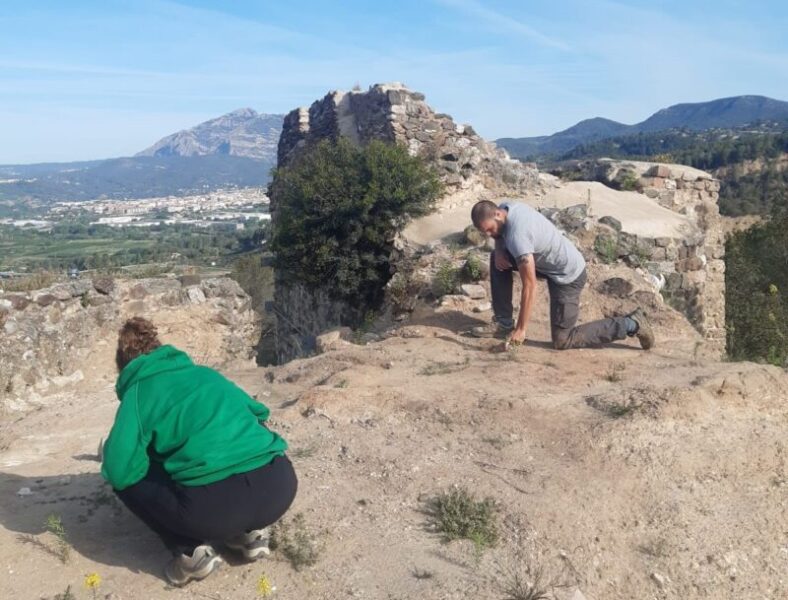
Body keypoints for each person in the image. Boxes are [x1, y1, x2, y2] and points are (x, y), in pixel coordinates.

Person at [101, 317, 297, 586]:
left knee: (128, 480)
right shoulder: (206, 374)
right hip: (279, 488)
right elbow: (259, 412)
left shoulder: (138, 392)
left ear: (123, 366)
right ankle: (252, 535)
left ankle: (190, 553)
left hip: (214, 511)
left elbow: (117, 468)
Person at [469, 199, 655, 350]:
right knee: (497, 259)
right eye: (485, 232)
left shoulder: (519, 235)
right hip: (546, 262)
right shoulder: (507, 207)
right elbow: (500, 236)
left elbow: (530, 286)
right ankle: (503, 323)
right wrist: (500, 248)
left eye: (491, 229)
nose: (490, 234)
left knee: (562, 340)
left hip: (568, 275)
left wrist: (521, 330)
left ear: (498, 214)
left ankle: (632, 323)